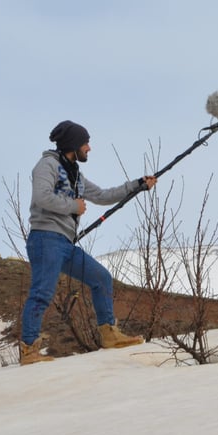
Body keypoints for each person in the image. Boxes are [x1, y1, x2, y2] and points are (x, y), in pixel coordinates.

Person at [19, 120, 157, 365]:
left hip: (65, 244)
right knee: (42, 293)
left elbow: (103, 195)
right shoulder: (47, 165)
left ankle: (109, 335)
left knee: (100, 278)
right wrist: (74, 206)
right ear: (73, 144)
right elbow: (41, 197)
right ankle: (29, 349)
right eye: (86, 143)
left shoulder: (76, 174)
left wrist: (138, 185)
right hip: (45, 239)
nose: (89, 148)